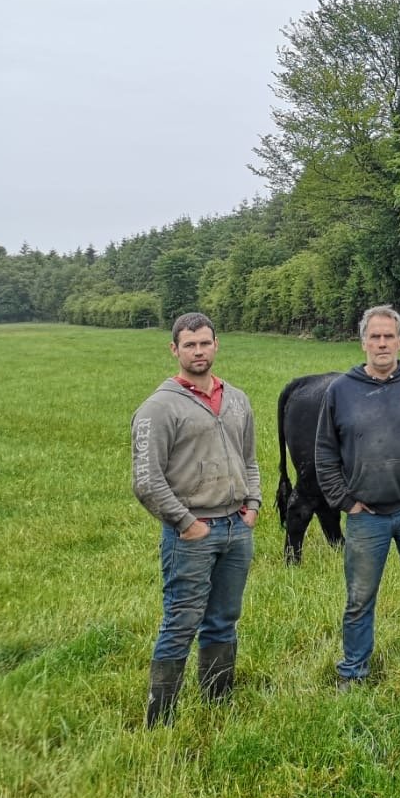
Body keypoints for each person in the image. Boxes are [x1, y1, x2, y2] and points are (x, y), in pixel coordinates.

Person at [314, 304, 400, 685]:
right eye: (374, 337)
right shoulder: (341, 390)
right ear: (363, 342)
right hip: (365, 516)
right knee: (359, 599)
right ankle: (354, 669)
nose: (382, 343)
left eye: (388, 336)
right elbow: (325, 454)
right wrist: (346, 501)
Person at [131, 311, 260, 727]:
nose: (199, 351)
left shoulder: (236, 398)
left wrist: (253, 504)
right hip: (192, 533)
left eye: (205, 343)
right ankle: (160, 716)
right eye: (190, 344)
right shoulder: (159, 407)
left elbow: (250, 459)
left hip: (236, 527)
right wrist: (186, 523)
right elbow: (147, 480)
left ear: (216, 344)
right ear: (175, 349)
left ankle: (217, 701)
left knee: (224, 619)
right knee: (181, 621)